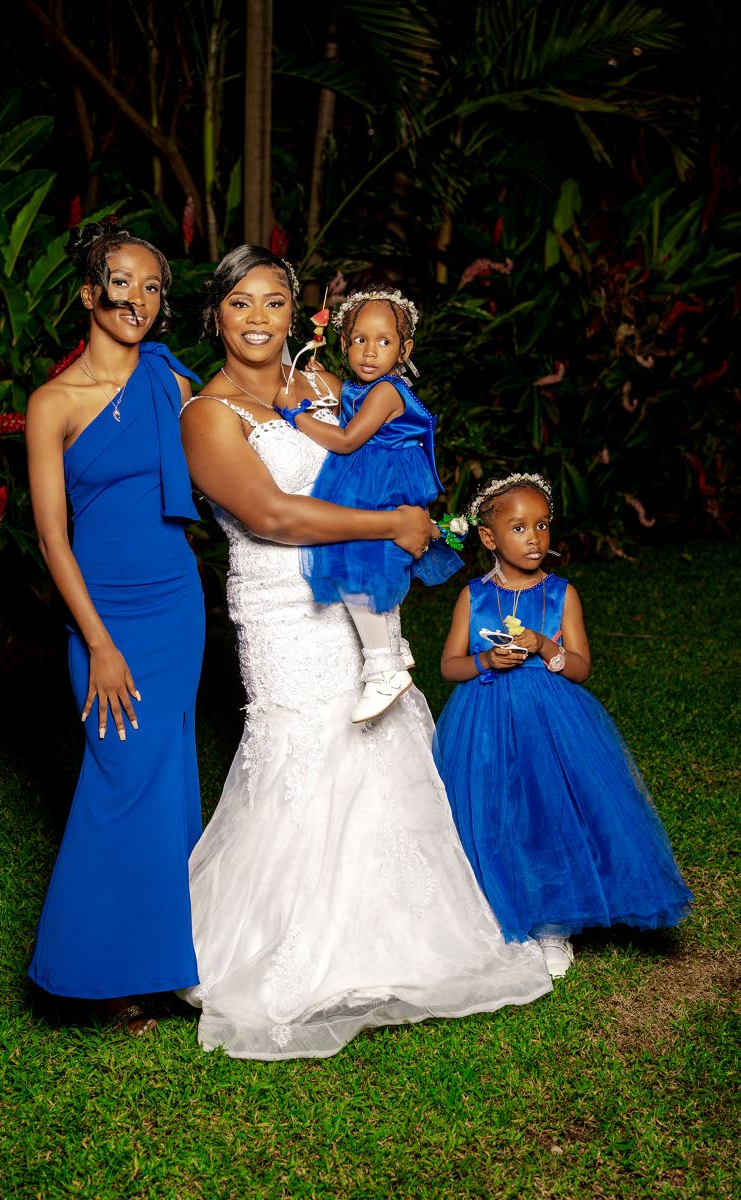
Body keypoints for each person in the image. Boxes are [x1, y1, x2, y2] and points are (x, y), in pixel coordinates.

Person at [177, 245, 552, 1061]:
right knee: (302, 748)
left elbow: (377, 456)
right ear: (216, 315)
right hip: (282, 607)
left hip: (352, 591)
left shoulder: (320, 385)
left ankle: (402, 938)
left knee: (380, 737)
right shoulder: (206, 415)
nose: (257, 319)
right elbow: (273, 515)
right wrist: (389, 527)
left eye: (274, 301)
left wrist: (406, 518)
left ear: (295, 311)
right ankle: (285, 949)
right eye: (240, 303)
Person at [25, 219, 205, 1034]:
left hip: (176, 605)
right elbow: (52, 537)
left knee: (166, 781)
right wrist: (96, 641)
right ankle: (81, 976)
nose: (137, 298)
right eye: (121, 282)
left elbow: (243, 440)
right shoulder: (52, 404)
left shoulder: (171, 385)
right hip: (105, 618)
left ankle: (165, 963)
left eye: (153, 285)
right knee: (120, 776)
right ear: (90, 293)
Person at [434, 473, 693, 978]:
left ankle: (555, 922)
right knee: (492, 809)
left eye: (543, 525)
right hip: (483, 719)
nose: (534, 538)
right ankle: (495, 907)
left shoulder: (560, 594)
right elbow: (449, 665)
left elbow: (579, 667)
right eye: (519, 527)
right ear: (489, 538)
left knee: (546, 809)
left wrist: (545, 647)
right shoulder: (472, 597)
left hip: (549, 721)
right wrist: (486, 660)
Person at [275, 287, 462, 723]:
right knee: (366, 560)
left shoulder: (386, 392)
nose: (369, 351)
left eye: (384, 341)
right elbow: (346, 402)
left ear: (404, 349)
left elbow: (345, 440)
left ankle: (383, 665)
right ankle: (391, 645)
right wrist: (318, 374)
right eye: (359, 339)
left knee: (358, 561)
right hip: (370, 478)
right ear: (343, 343)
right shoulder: (365, 388)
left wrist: (293, 414)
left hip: (379, 483)